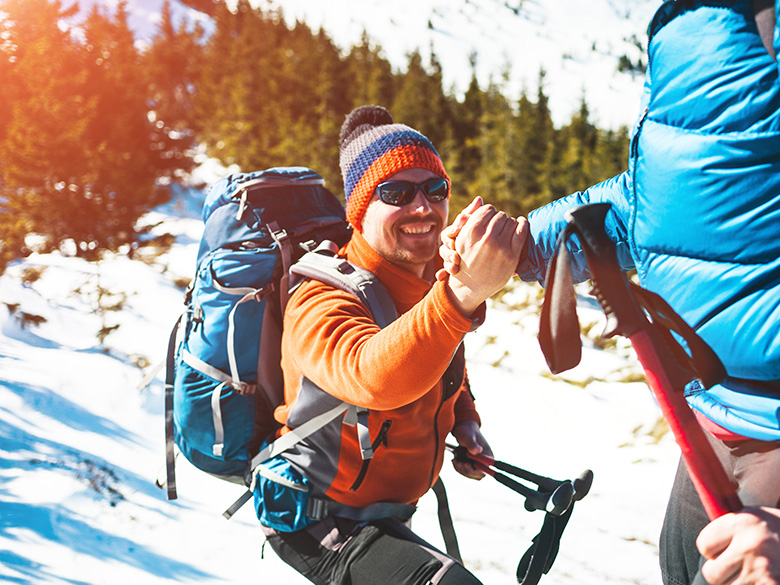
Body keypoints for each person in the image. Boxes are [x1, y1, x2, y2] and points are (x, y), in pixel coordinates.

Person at [441, 1, 780, 584]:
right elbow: (656, 196)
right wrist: (520, 244)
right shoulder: (689, 35)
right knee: (679, 570)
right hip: (707, 421)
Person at [260, 105, 527, 585]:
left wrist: (465, 422)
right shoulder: (320, 296)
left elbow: (443, 361)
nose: (423, 207)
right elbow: (370, 377)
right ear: (360, 210)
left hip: (385, 511)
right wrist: (460, 295)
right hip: (317, 517)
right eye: (396, 192)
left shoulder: (424, 284)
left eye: (435, 189)